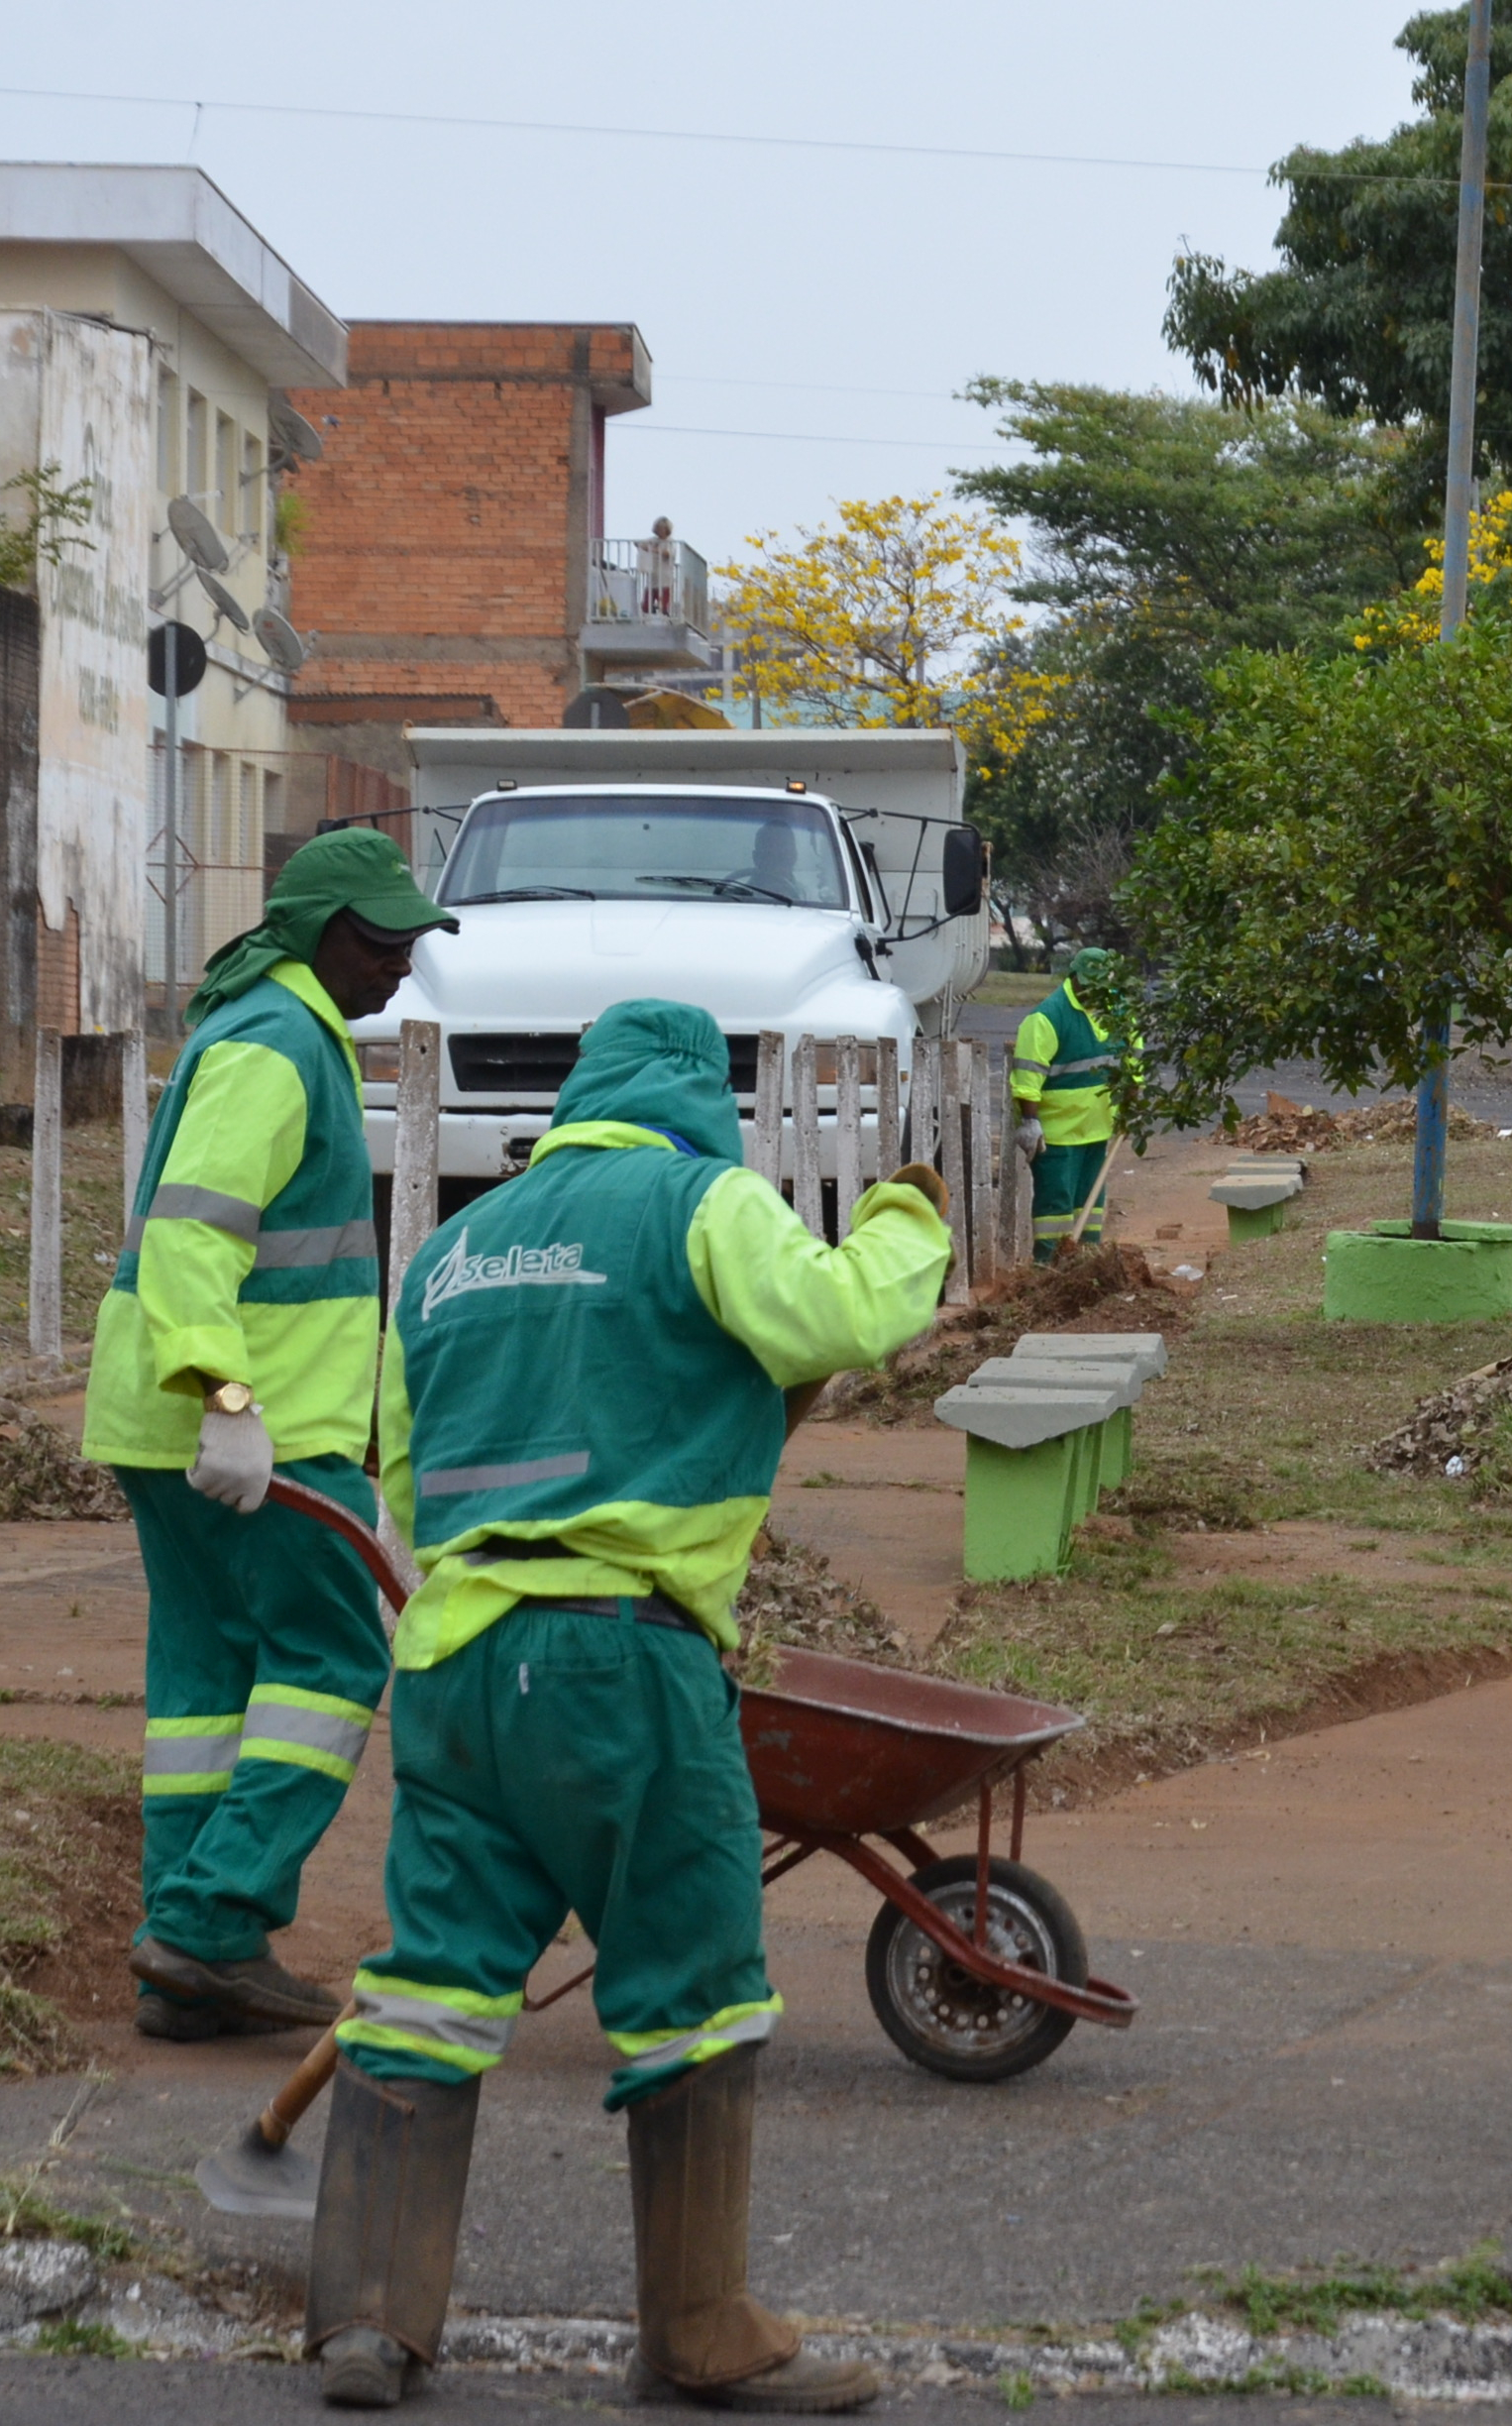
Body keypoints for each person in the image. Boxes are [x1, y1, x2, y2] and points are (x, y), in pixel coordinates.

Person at [309, 998, 948, 2412]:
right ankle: (700, 2330)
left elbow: (404, 1483)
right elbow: (840, 1314)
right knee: (694, 1988)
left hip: (458, 1665)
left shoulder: (451, 1254)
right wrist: (908, 1222)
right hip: (624, 1664)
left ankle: (368, 2319)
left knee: (433, 1978)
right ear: (700, 1111)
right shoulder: (697, 1204)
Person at [84, 828, 456, 2043]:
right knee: (335, 1665)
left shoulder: (272, 1030)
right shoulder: (277, 1045)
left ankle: (189, 1964)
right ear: (320, 934)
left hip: (182, 1426)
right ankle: (207, 1922)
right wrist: (229, 1399)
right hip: (250, 1429)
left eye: (409, 940)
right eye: (383, 940)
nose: (400, 963)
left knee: (203, 1690)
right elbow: (195, 1234)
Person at [1008, 945, 1130, 1260]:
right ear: (1073, 977)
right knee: (1055, 1208)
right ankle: (1048, 1269)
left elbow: (1134, 1058)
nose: (1091, 991)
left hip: (1098, 1128)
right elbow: (1028, 1078)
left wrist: (1133, 1104)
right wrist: (1030, 1122)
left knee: (1090, 1203)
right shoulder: (1047, 1018)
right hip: (1057, 1135)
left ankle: (1088, 1264)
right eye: (1086, 983)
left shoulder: (1118, 1010)